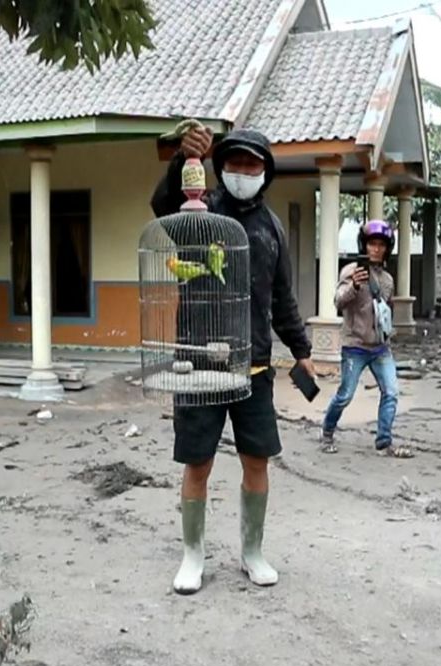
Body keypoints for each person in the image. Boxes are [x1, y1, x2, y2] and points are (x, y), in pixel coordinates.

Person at [151, 122, 317, 595]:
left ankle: (252, 552)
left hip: (255, 366)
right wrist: (183, 161)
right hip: (200, 362)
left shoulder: (272, 228)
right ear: (221, 168)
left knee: (256, 460)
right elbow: (162, 206)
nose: (243, 170)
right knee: (197, 463)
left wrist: (302, 351)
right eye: (235, 162)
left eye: (253, 164)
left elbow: (282, 297)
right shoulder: (197, 212)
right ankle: (192, 555)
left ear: (266, 172)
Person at [319, 220, 413, 458]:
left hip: (381, 348)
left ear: (387, 248)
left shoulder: (388, 280)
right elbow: (338, 301)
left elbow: (385, 309)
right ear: (365, 245)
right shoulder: (351, 271)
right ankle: (327, 431)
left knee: (391, 392)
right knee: (345, 395)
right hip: (355, 347)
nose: (376, 249)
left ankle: (384, 442)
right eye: (372, 244)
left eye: (381, 245)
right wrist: (354, 286)